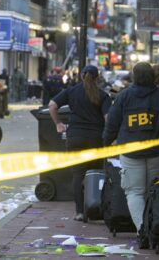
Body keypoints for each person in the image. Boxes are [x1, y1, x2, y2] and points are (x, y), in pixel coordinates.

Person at [103, 62, 159, 232]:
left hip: (130, 154)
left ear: (134, 76)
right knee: (153, 191)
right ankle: (152, 227)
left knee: (134, 192)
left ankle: (142, 230)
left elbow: (112, 124)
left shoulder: (124, 96)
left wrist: (106, 143)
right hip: (156, 153)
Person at [48, 65, 112, 221]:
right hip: (96, 138)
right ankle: (95, 209)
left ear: (81, 76)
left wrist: (59, 124)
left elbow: (52, 105)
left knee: (77, 175)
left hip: (75, 137)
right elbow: (108, 119)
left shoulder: (71, 91)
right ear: (97, 78)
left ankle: (79, 212)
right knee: (96, 173)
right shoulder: (103, 95)